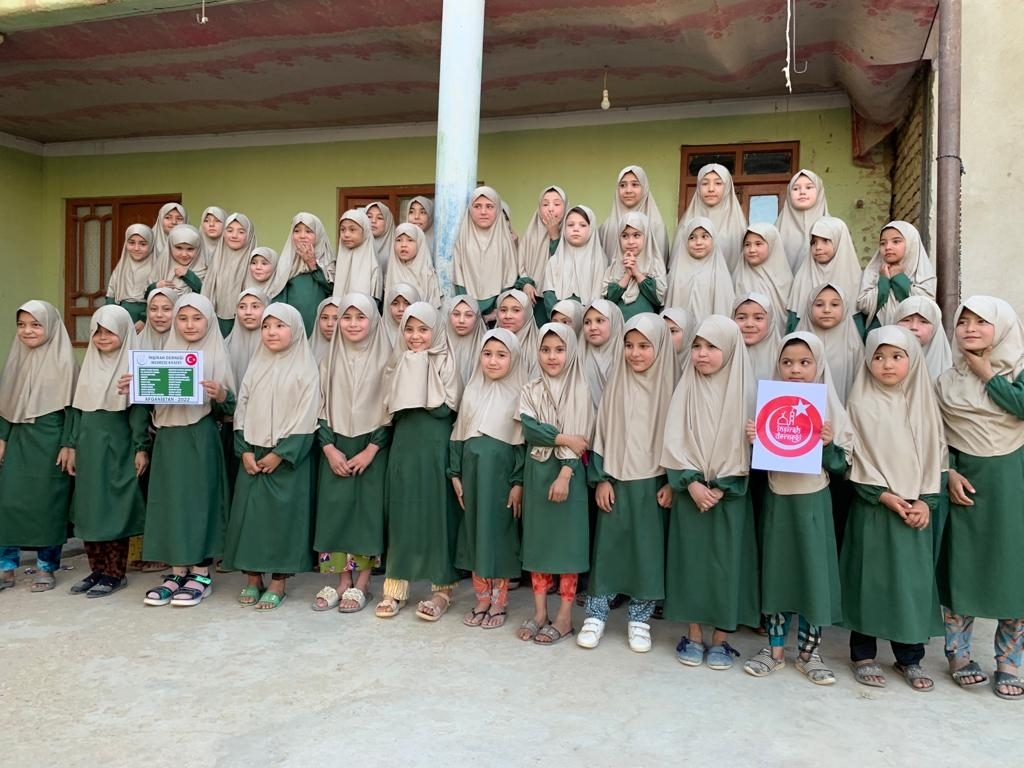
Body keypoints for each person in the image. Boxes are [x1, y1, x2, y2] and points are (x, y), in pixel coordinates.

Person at [742, 332, 851, 684]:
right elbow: (758, 465)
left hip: (813, 500)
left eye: (805, 363)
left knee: (812, 576)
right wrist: (756, 440)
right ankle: (774, 650)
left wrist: (828, 444)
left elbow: (842, 465)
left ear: (819, 365)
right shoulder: (770, 404)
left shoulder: (829, 408)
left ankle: (809, 653)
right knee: (778, 574)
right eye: (787, 362)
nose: (795, 370)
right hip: (778, 499)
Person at [842, 326, 944, 690]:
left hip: (915, 509)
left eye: (897, 356)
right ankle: (863, 653)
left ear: (912, 360)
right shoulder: (859, 403)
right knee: (868, 579)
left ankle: (909, 657)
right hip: (873, 506)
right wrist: (881, 494)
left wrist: (926, 501)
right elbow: (852, 456)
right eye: (879, 357)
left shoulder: (923, 403)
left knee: (909, 583)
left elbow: (937, 453)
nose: (887, 364)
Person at [936, 296, 1024, 700]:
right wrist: (949, 471)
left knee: (1014, 572)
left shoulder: (1018, 370)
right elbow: (937, 433)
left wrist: (986, 373)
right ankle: (958, 653)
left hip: (1013, 481)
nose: (970, 328)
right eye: (963, 321)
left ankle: (1010, 660)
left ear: (1002, 327)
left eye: (981, 322)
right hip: (966, 482)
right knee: (963, 568)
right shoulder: (946, 381)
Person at [661, 315, 758, 670]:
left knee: (726, 565)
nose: (701, 354)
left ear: (730, 349)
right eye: (697, 346)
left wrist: (722, 487)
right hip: (691, 493)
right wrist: (691, 483)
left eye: (712, 347)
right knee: (691, 563)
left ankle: (720, 638)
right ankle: (693, 634)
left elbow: (756, 450)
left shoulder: (748, 393)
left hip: (731, 496)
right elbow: (673, 440)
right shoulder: (685, 388)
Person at [580, 314, 675, 652]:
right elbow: (601, 434)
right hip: (616, 480)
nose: (635, 353)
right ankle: (596, 616)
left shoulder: (672, 389)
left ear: (660, 348)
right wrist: (601, 479)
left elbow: (680, 440)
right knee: (608, 549)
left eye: (644, 346)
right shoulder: (616, 384)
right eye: (629, 345)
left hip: (653, 483)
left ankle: (639, 619)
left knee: (646, 552)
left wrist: (673, 483)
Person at [137, 294, 235, 607]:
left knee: (198, 503)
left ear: (209, 321)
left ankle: (201, 573)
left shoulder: (216, 352)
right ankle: (177, 571)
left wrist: (221, 394)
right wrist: (136, 386)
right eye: (182, 318)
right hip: (167, 438)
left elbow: (232, 407)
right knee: (169, 503)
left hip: (199, 436)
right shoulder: (166, 353)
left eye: (197, 318)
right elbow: (151, 400)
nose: (189, 325)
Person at [223, 303, 319, 610]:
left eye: (279, 326)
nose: (271, 332)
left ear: (296, 330)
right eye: (266, 326)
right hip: (253, 454)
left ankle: (278, 581)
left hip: (288, 458)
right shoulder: (256, 365)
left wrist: (281, 454)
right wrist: (244, 450)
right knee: (250, 519)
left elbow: (307, 416)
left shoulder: (306, 369)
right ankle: (253, 579)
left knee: (283, 521)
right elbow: (242, 408)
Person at [376, 302, 463, 620]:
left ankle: (442, 590)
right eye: (409, 330)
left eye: (423, 329)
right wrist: (411, 370)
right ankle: (396, 587)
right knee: (402, 512)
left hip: (435, 445)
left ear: (435, 331)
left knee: (437, 514)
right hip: (405, 445)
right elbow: (389, 409)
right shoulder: (396, 362)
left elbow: (446, 407)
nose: (415, 336)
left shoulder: (446, 360)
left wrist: (420, 377)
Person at [313, 293, 392, 614]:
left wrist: (371, 449)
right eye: (346, 317)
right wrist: (328, 447)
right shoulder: (328, 360)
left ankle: (363, 582)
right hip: (336, 444)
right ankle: (341, 580)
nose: (352, 324)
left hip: (372, 447)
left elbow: (390, 409)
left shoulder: (388, 359)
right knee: (335, 511)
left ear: (373, 321)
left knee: (367, 514)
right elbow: (317, 406)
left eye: (361, 317)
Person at [516, 323, 594, 644]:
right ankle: (539, 613)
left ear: (571, 352)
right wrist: (563, 437)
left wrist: (565, 473)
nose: (552, 356)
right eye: (545, 350)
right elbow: (529, 429)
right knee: (539, 544)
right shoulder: (530, 388)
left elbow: (583, 439)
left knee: (566, 547)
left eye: (559, 350)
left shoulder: (581, 389)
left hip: (569, 474)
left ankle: (564, 617)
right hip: (537, 472)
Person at [66, 306, 149, 598]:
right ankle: (97, 570)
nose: (102, 338)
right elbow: (77, 411)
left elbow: (138, 415)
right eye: (97, 332)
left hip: (117, 448)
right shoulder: (89, 365)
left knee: (114, 507)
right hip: (88, 448)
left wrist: (140, 448)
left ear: (124, 332)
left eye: (110, 332)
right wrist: (71, 445)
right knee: (90, 508)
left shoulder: (133, 369)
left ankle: (115, 573)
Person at [450, 328, 527, 630]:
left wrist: (518, 483)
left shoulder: (521, 393)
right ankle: (481, 598)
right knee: (475, 532)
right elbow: (459, 435)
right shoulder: (472, 390)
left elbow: (521, 444)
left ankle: (499, 601)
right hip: (472, 474)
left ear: (514, 358)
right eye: (487, 354)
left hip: (501, 478)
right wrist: (455, 474)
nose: (493, 361)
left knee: (499, 535)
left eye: (501, 355)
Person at [0, 301, 77, 593]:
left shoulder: (65, 362)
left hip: (51, 442)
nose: (27, 331)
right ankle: (6, 567)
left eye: (35, 325)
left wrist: (69, 443)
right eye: (21, 325)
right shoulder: (15, 360)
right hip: (18, 441)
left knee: (49, 505)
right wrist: (2, 437)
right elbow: (6, 405)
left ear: (51, 327)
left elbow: (73, 410)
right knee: (7, 503)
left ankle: (46, 567)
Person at [786, 216, 862, 333]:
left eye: (825, 241)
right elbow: (794, 322)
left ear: (840, 241)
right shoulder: (802, 278)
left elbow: (858, 325)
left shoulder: (855, 279)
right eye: (814, 242)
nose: (818, 247)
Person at [453, 186, 519, 320]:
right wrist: (467, 307)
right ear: (470, 209)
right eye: (477, 206)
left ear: (498, 209)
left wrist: (500, 308)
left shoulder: (506, 242)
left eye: (489, 206)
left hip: (500, 312)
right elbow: (458, 276)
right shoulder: (462, 241)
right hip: (467, 312)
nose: (483, 212)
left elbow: (510, 276)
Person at [857, 221, 937, 329]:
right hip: (879, 335)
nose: (888, 247)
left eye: (896, 241)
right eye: (883, 243)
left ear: (911, 243)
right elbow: (864, 305)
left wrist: (899, 278)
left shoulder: (924, 275)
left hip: (913, 335)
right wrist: (883, 281)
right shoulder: (872, 272)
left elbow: (925, 308)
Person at [267, 212, 335, 335]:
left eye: (309, 231)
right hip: (292, 325)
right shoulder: (286, 262)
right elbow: (278, 295)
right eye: (297, 231)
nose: (302, 236)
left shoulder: (328, 261)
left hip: (321, 326)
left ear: (318, 235)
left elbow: (332, 288)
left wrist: (312, 263)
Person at [796, 283, 864, 402]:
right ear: (809, 307)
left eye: (834, 304)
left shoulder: (855, 346)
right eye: (819, 305)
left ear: (845, 307)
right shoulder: (794, 344)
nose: (827, 310)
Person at [674, 164, 747, 272]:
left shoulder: (738, 225)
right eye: (705, 183)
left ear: (727, 187)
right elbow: (676, 264)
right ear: (698, 187)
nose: (711, 189)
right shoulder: (687, 222)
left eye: (718, 183)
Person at [542, 204, 607, 319]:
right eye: (570, 225)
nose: (576, 229)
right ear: (564, 228)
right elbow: (548, 292)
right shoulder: (555, 260)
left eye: (583, 225)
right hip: (560, 320)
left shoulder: (599, 260)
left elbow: (599, 295)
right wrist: (559, 317)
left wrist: (586, 319)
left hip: (588, 320)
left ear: (591, 228)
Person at [601, 212, 667, 321]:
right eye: (625, 236)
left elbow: (658, 299)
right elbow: (608, 300)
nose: (630, 242)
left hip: (646, 326)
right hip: (618, 325)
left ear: (646, 236)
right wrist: (627, 275)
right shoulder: (614, 267)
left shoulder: (655, 265)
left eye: (636, 235)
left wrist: (637, 273)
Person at [665, 217, 735, 320]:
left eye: (704, 236)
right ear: (685, 241)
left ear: (713, 240)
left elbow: (725, 310)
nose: (698, 242)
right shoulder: (675, 273)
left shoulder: (720, 275)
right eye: (692, 237)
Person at [517, 186, 567, 326]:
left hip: (560, 301)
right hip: (533, 300)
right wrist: (525, 283)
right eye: (545, 204)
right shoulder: (529, 236)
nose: (550, 209)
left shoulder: (571, 234)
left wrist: (555, 236)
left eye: (556, 204)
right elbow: (519, 266)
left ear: (565, 207)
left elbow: (566, 265)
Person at [598, 165, 668, 265]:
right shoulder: (607, 226)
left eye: (635, 184)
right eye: (623, 185)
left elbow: (660, 265)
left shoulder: (656, 224)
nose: (628, 190)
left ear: (644, 188)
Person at [203, 212, 257, 336]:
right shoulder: (217, 259)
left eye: (241, 232)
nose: (234, 235)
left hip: (247, 322)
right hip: (215, 320)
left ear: (249, 235)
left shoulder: (257, 263)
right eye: (230, 230)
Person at [733, 224, 793, 334]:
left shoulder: (785, 280)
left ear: (772, 245)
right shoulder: (739, 277)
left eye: (758, 244)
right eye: (747, 244)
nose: (752, 249)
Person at [774, 170, 829, 273]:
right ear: (789, 194)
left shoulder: (835, 230)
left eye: (809, 187)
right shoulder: (775, 232)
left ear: (819, 191)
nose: (802, 192)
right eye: (795, 188)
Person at [106, 223, 156, 330]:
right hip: (121, 317)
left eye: (143, 244)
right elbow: (111, 295)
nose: (136, 248)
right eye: (131, 243)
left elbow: (161, 298)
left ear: (151, 244)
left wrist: (144, 319)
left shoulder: (158, 267)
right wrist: (113, 318)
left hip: (149, 318)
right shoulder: (121, 268)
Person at [580, 299, 625, 411]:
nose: (593, 327)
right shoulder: (578, 358)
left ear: (614, 322)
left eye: (599, 321)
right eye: (587, 322)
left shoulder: (628, 358)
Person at [894, 296, 952, 382]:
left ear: (935, 328)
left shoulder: (950, 378)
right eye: (906, 320)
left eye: (924, 322)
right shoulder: (881, 364)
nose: (914, 327)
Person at [385, 223, 442, 308]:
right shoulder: (391, 272)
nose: (403, 245)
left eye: (410, 240)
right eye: (399, 240)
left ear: (419, 243)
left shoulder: (428, 275)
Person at [333, 209, 381, 302]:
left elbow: (375, 300)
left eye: (352, 230)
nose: (346, 234)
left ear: (365, 231)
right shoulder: (338, 260)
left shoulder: (373, 263)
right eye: (343, 230)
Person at [733, 292, 782, 384]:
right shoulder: (724, 356)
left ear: (770, 321)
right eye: (741, 318)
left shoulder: (783, 357)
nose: (749, 324)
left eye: (758, 318)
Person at [442, 294, 486, 388]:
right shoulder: (438, 346)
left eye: (468, 315)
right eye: (456, 314)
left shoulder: (488, 349)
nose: (461, 320)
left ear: (477, 318)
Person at [150, 224, 204, 298]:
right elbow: (146, 294)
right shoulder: (161, 266)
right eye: (179, 248)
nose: (184, 254)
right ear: (170, 247)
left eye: (190, 249)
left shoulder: (203, 269)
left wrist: (189, 275)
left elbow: (206, 293)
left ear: (198, 249)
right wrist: (156, 286)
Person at [495, 289, 539, 378]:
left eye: (516, 310)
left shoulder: (541, 347)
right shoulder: (488, 344)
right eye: (503, 310)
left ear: (527, 313)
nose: (508, 316)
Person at [150, 202, 187, 276]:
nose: (174, 222)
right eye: (168, 217)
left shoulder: (194, 244)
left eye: (179, 218)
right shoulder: (147, 242)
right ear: (160, 219)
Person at [365, 201, 395, 278]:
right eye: (369, 217)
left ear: (388, 222)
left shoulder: (398, 247)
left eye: (379, 218)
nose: (373, 221)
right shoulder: (355, 244)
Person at [309, 296, 340, 367]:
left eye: (336, 318)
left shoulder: (354, 354)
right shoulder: (305, 352)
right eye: (325, 318)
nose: (329, 324)